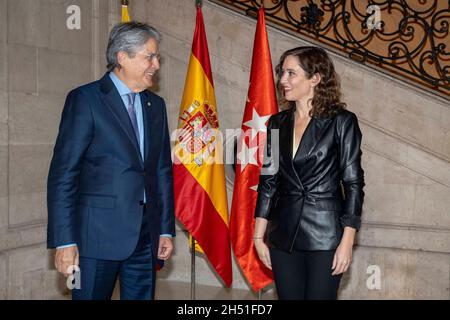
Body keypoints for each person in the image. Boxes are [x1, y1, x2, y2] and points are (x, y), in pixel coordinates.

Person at [47, 21, 175, 300]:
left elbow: (162, 171)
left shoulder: (156, 106)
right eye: (149, 56)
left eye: (157, 57)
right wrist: (65, 241)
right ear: (122, 57)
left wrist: (165, 229)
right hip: (93, 241)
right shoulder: (85, 99)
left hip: (146, 236)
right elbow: (64, 174)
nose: (156, 64)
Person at [253, 46, 365, 300]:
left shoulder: (342, 121)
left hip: (326, 235)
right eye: (282, 73)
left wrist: (347, 241)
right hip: (282, 234)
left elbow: (354, 184)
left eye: (291, 73)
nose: (282, 80)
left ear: (315, 78)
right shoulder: (276, 123)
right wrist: (258, 236)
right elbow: (268, 181)